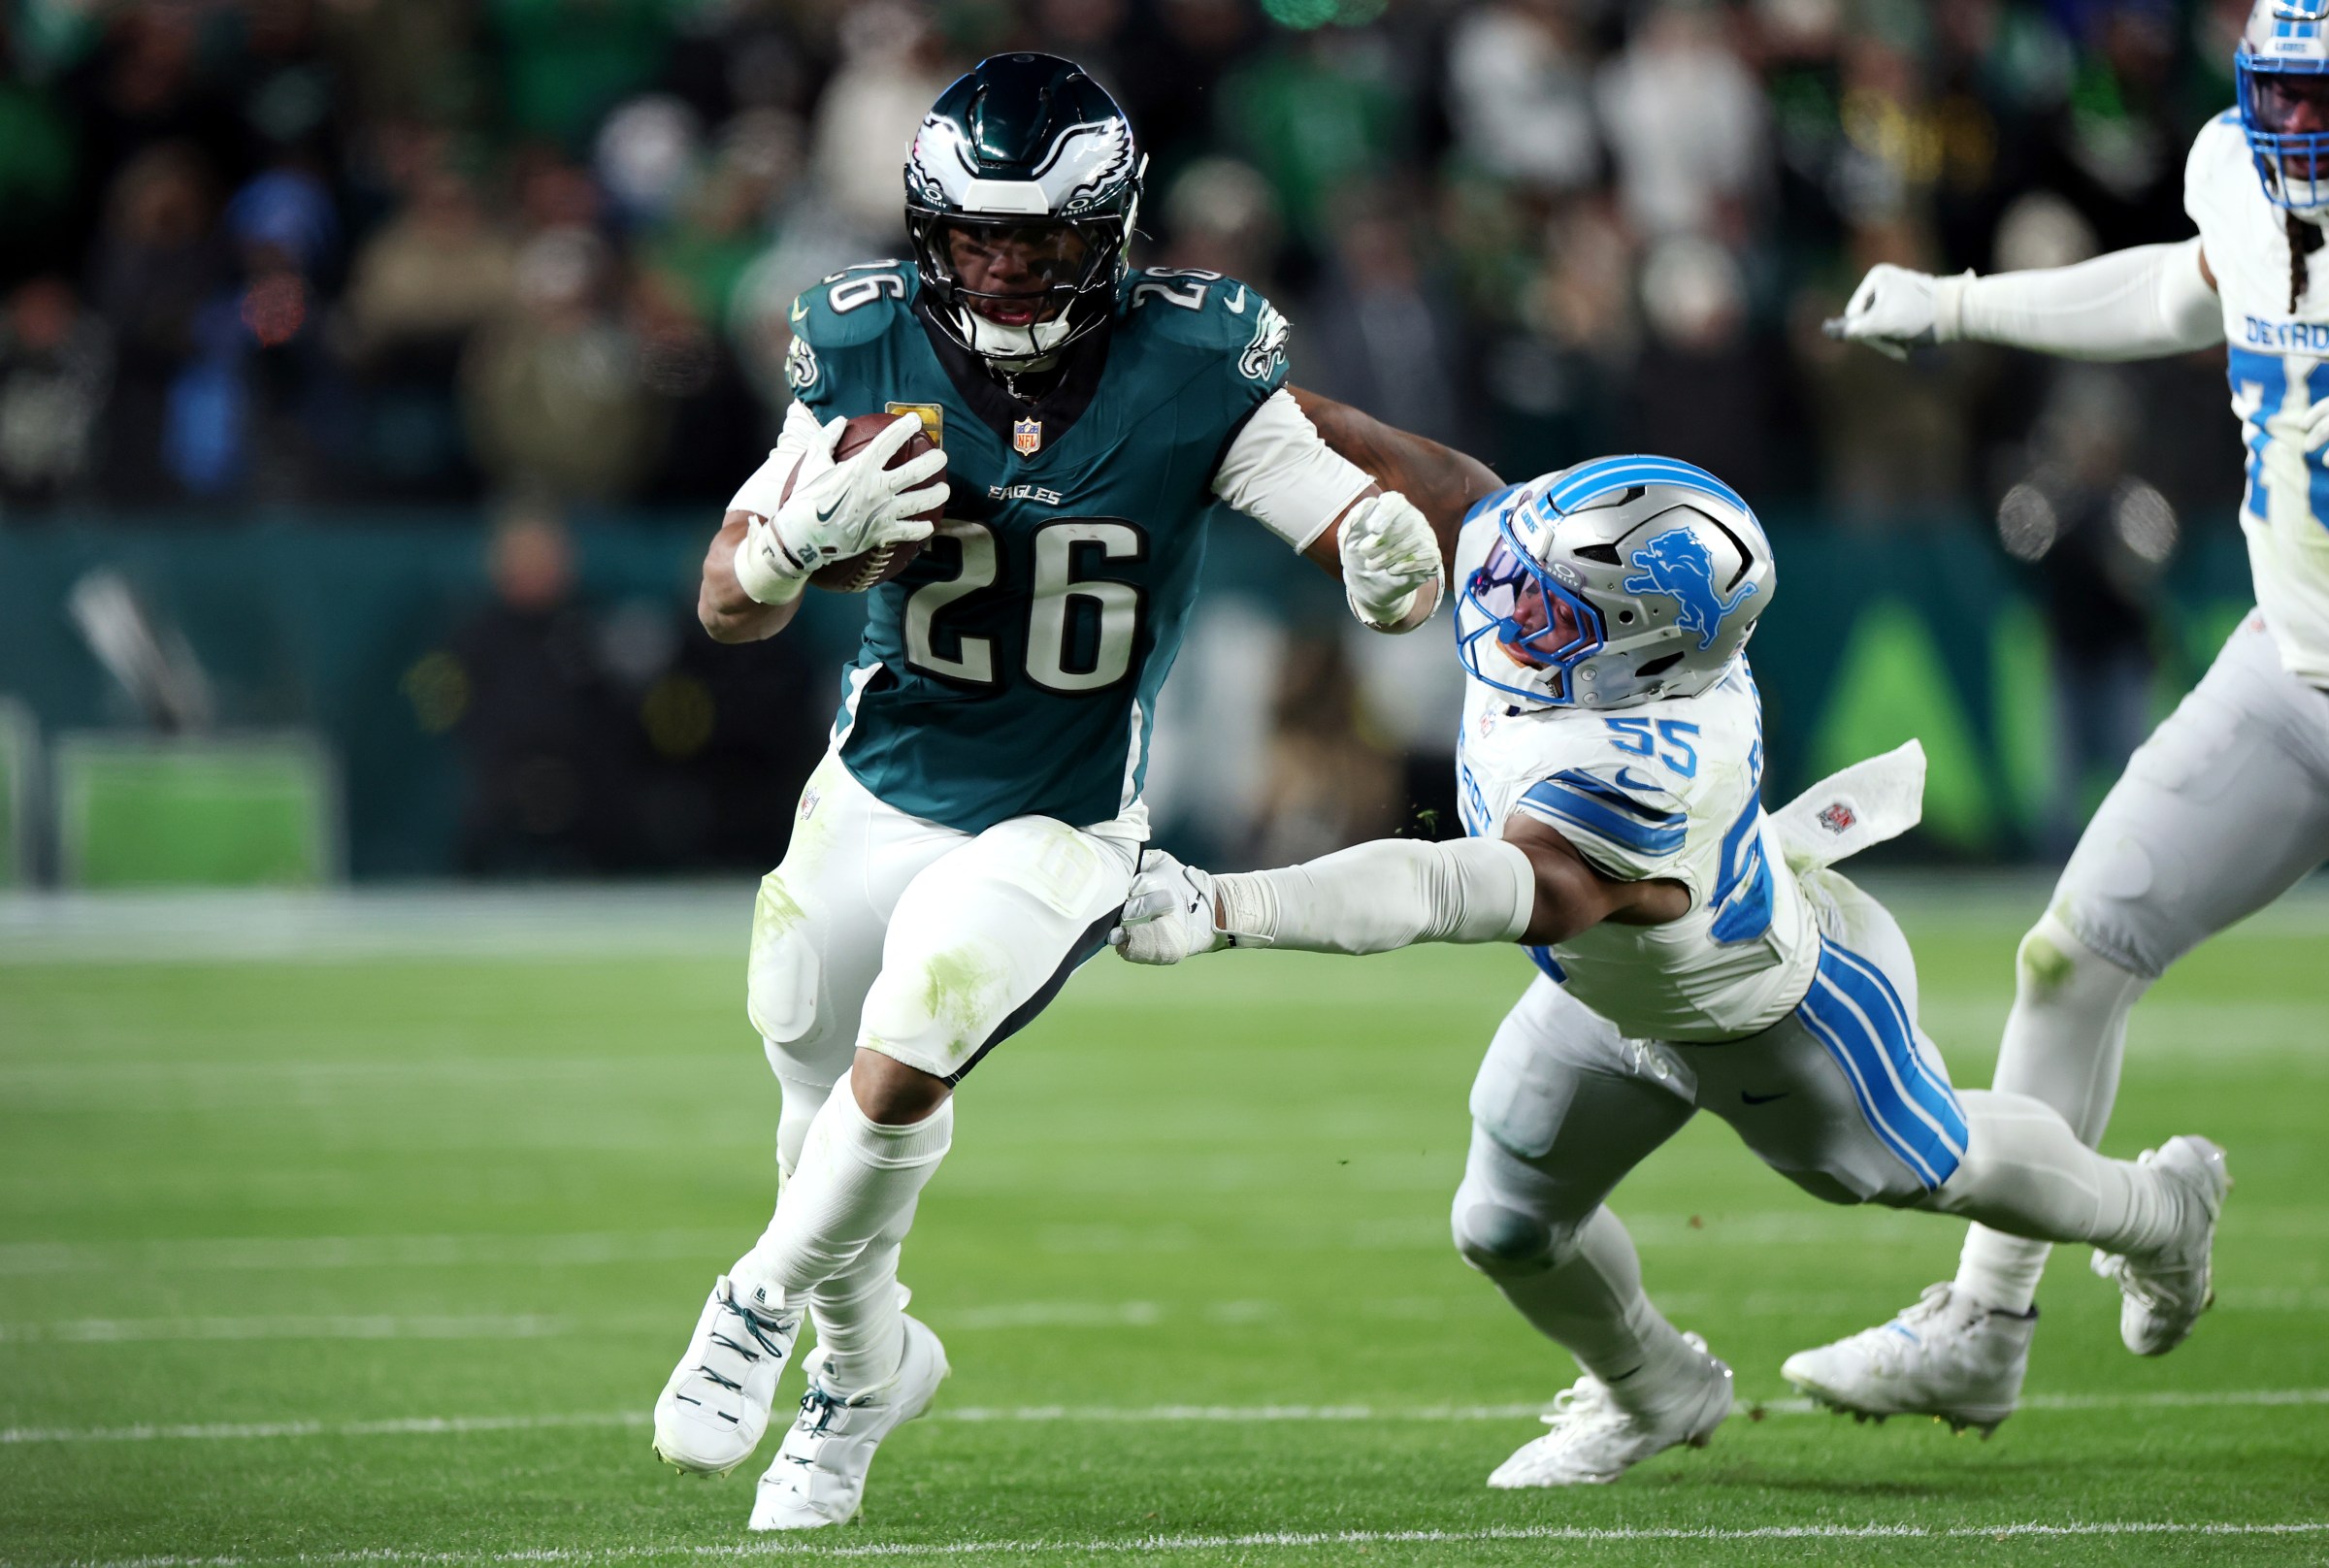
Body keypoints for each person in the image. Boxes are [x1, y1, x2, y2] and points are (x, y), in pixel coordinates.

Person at [650, 53, 1495, 1531]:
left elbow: (1339, 516)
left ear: (1108, 234)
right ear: (928, 229)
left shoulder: (1196, 354)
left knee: (915, 1029)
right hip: (878, 786)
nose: (1005, 269)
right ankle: (869, 1370)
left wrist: (1383, 556)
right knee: (809, 1083)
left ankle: (756, 1304)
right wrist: (790, 547)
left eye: (1039, 242)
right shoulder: (856, 344)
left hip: (1061, 817)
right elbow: (726, 603)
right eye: (977, 238)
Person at [1111, 457, 2228, 1486]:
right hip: (1610, 989)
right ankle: (1653, 1384)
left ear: (1639, 644)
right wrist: (1265, 418)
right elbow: (1449, 485)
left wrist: (1229, 903)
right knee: (1502, 1223)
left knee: (1920, 1166)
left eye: (1550, 604)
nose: (1504, 603)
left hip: (1773, 1010)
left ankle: (2158, 1208)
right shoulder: (1590, 625)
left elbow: (1449, 889)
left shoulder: (1637, 770)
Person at [1793, 0, 2329, 1433]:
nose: (2294, 132)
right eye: (2278, 97)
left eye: (2319, 100)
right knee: (2068, 958)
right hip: (2296, 666)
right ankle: (1984, 1321)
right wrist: (1958, 301)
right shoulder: (2239, 174)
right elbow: (2185, 289)